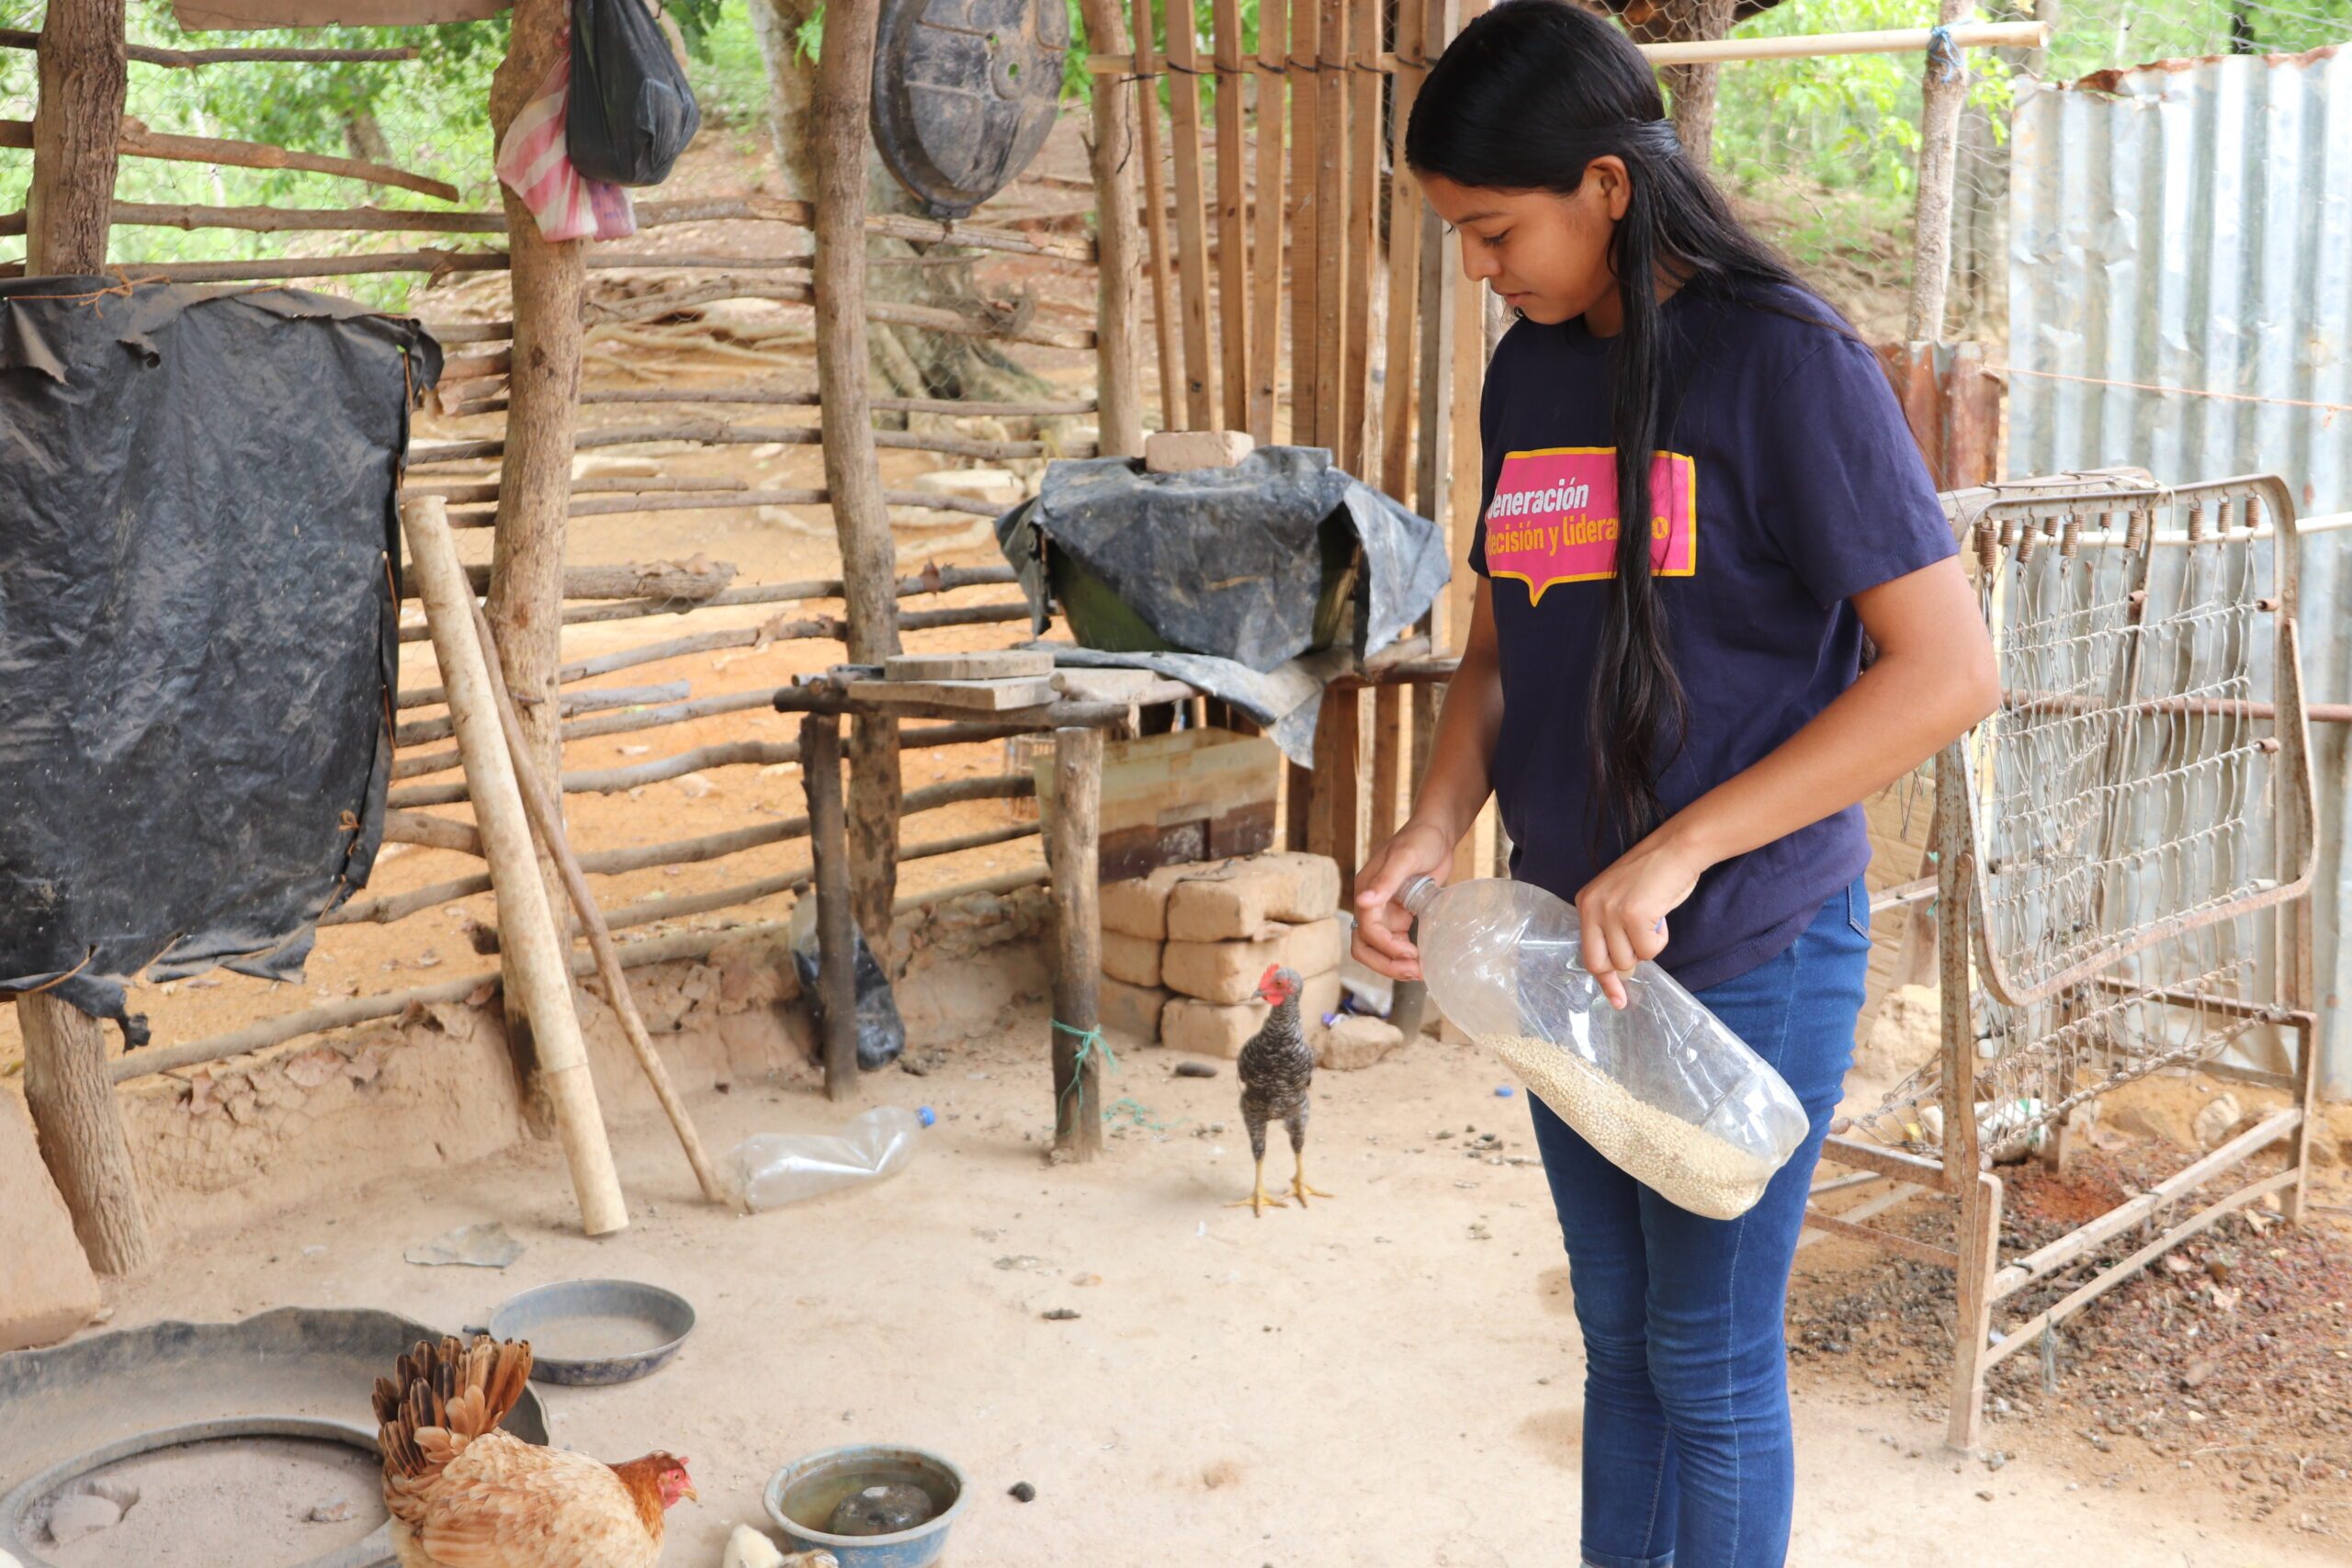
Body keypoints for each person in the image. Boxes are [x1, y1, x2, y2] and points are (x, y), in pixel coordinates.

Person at [1349, 5, 2002, 1564]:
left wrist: (1684, 850)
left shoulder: (1789, 363)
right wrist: (1433, 828)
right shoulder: (1531, 379)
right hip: (1573, 961)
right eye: (1459, 235)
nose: (1480, 267)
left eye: (1496, 229)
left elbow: (1949, 670)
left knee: (1705, 1369)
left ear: (1609, 187)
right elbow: (1503, 645)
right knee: (1621, 1353)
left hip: (1750, 954)